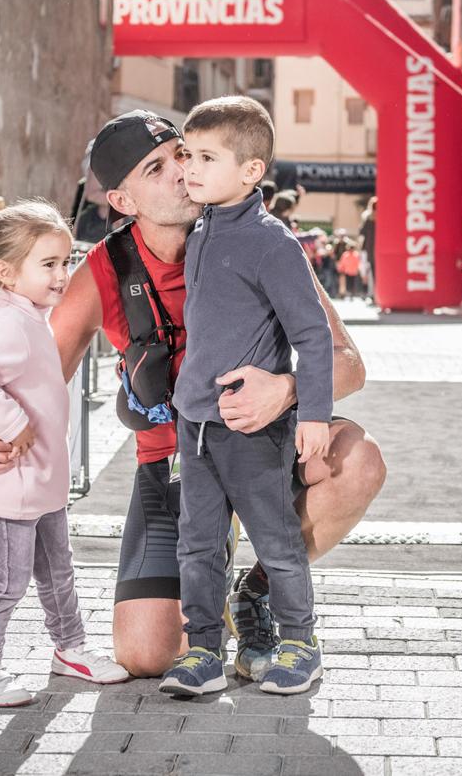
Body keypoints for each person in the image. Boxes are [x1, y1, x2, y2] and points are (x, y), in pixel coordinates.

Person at [0, 109, 386, 681]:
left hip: (264, 443)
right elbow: (32, 372)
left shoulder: (256, 238)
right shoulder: (103, 271)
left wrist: (283, 390)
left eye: (184, 154)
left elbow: (348, 364)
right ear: (123, 200)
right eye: (156, 168)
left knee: (359, 462)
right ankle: (208, 589)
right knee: (147, 655)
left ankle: (255, 595)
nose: (181, 172)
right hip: (175, 462)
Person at [156, 96, 332, 697]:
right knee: (198, 546)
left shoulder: (272, 242)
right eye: (187, 155)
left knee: (276, 542)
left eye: (206, 157)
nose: (190, 169)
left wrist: (311, 414)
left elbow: (313, 335)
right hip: (196, 425)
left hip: (253, 430)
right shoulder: (203, 227)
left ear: (251, 171)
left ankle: (300, 644)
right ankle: (204, 651)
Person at [0, 201, 129, 707]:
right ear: (7, 272)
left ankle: (70, 648)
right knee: (9, 581)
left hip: (41, 481)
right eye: (48, 264)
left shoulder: (31, 317)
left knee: (58, 570)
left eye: (65, 262)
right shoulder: (8, 322)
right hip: (12, 485)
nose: (62, 275)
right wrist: (11, 422)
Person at [360, 196, 378, 301]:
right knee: (377, 273)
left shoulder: (368, 217)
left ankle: (373, 294)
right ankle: (375, 294)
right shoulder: (383, 217)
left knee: (372, 273)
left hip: (370, 249)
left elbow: (362, 233)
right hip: (379, 249)